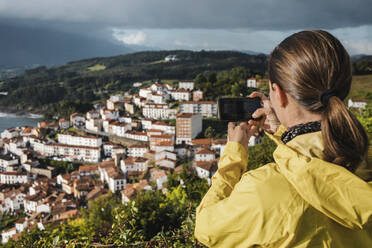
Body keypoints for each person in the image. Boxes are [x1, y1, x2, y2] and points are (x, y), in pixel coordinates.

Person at [194, 30, 372, 247]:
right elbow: (318, 172)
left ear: (278, 93)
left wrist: (233, 154)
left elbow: (204, 230)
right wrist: (281, 131)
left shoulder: (263, 191)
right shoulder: (364, 158)